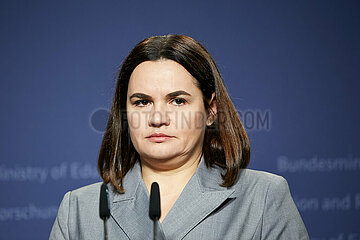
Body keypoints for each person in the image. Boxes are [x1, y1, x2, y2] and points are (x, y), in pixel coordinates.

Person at [50, 34, 309, 240]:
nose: (158, 117)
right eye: (142, 102)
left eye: (177, 100)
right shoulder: (79, 210)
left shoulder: (262, 197)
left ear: (210, 112)